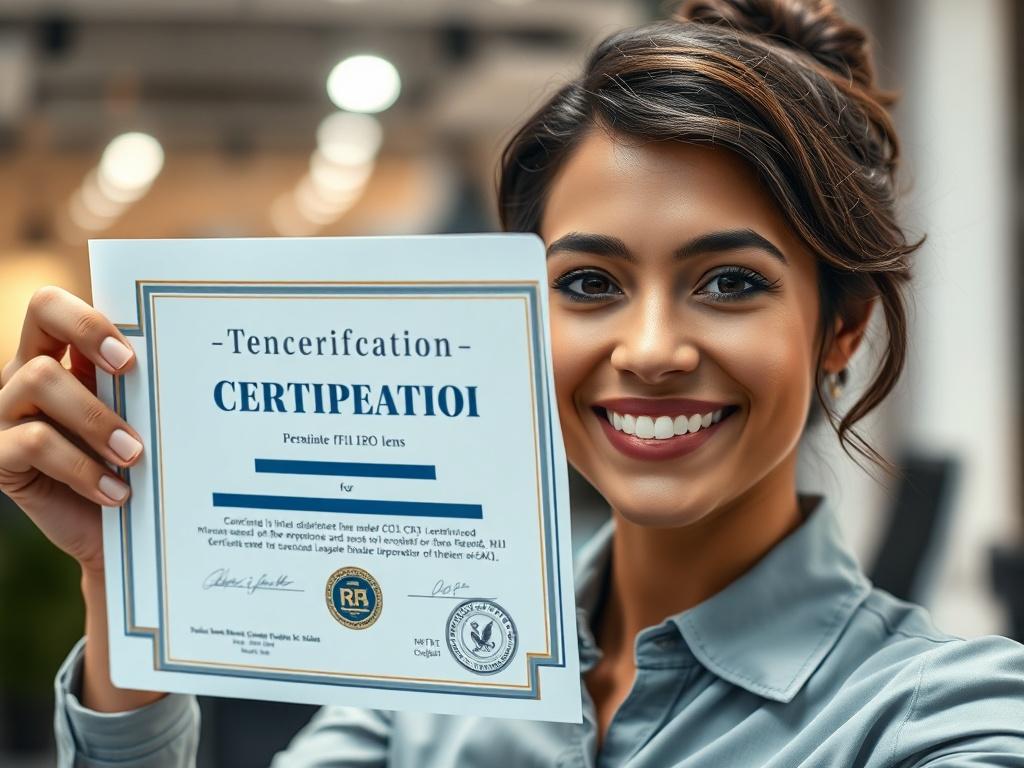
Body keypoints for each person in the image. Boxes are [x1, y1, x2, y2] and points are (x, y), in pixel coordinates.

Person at [2, 0, 1022, 765]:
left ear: (837, 328)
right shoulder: (422, 681)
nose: (652, 348)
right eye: (588, 283)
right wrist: (126, 586)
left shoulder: (946, 717)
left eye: (729, 282)